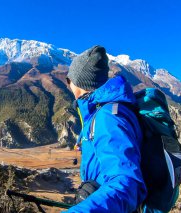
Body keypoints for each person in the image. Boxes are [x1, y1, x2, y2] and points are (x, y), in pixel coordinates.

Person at [65, 46, 147, 212]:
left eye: (68, 79)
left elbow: (125, 183)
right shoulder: (101, 112)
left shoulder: (108, 116)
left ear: (77, 82)